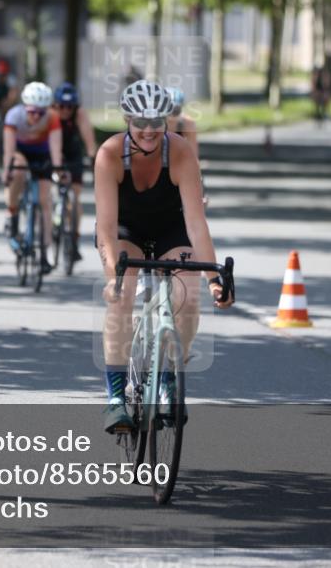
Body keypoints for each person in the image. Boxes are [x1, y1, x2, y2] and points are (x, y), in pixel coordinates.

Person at [95, 80, 234, 433]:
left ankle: (169, 377)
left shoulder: (181, 151)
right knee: (122, 296)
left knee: (186, 298)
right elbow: (107, 229)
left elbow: (196, 224)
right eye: (140, 122)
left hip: (172, 228)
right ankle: (115, 398)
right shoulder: (110, 154)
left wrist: (215, 280)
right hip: (127, 230)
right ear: (127, 120)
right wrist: (113, 278)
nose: (149, 130)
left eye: (157, 121)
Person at [2, 82, 69, 275]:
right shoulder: (14, 116)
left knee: (44, 201)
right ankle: (12, 211)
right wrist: (7, 170)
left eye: (41, 112)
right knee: (18, 169)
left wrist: (58, 169)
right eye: (32, 111)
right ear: (25, 107)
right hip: (20, 152)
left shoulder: (52, 118)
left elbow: (56, 150)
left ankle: (44, 253)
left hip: (42, 155)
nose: (36, 116)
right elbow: (8, 150)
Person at [52, 83, 97, 260]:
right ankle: (52, 219)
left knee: (75, 196)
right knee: (49, 189)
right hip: (52, 152)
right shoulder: (50, 114)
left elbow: (89, 140)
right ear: (55, 104)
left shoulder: (80, 114)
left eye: (69, 106)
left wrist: (93, 158)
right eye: (61, 106)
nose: (65, 110)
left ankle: (74, 238)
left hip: (72, 153)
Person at [165, 87, 198, 158]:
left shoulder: (188, 123)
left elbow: (193, 156)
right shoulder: (153, 123)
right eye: (168, 110)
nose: (171, 115)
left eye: (175, 110)